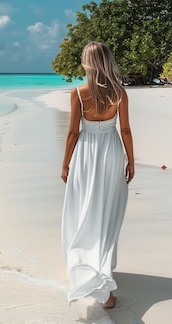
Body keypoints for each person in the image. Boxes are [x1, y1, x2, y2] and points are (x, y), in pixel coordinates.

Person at [60, 41, 134, 309]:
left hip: (85, 153)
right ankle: (102, 269)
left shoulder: (78, 93)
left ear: (87, 63)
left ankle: (88, 269)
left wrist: (65, 163)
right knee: (108, 211)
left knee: (84, 210)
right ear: (108, 61)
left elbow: (72, 133)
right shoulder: (119, 93)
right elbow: (125, 130)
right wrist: (131, 160)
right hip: (112, 152)